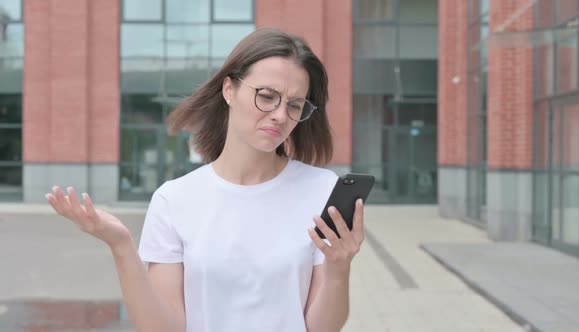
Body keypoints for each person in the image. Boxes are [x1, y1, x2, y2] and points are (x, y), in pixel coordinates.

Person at [45, 28, 365, 332]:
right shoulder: (175, 199)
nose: (280, 115)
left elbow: (323, 328)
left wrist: (339, 271)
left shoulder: (322, 191)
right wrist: (121, 245)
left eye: (294, 105)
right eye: (267, 96)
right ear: (229, 89)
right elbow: (164, 328)